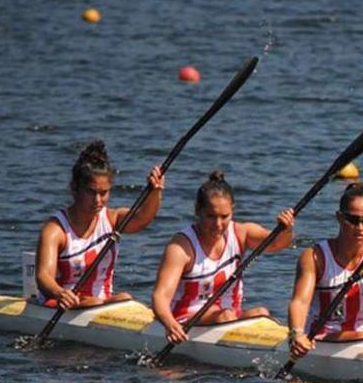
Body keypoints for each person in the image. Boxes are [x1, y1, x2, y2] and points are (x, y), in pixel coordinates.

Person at [152, 171, 295, 344]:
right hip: (185, 321)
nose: (218, 225)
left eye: (224, 217)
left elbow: (278, 244)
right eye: (211, 216)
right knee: (224, 316)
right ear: (198, 211)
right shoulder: (181, 247)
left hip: (229, 318)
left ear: (232, 211)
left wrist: (286, 229)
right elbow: (160, 297)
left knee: (262, 313)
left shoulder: (241, 233)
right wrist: (170, 325)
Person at [288, 182, 363, 360]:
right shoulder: (315, 257)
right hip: (321, 340)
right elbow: (299, 302)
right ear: (339, 217)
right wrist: (297, 335)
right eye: (354, 220)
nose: (361, 228)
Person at [36, 140, 164, 309]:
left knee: (124, 297)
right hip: (60, 303)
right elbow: (43, 276)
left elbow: (142, 218)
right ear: (74, 189)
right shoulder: (55, 229)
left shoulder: (111, 219)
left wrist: (155, 192)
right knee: (109, 300)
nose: (98, 200)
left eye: (103, 193)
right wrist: (60, 293)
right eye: (91, 192)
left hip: (103, 303)